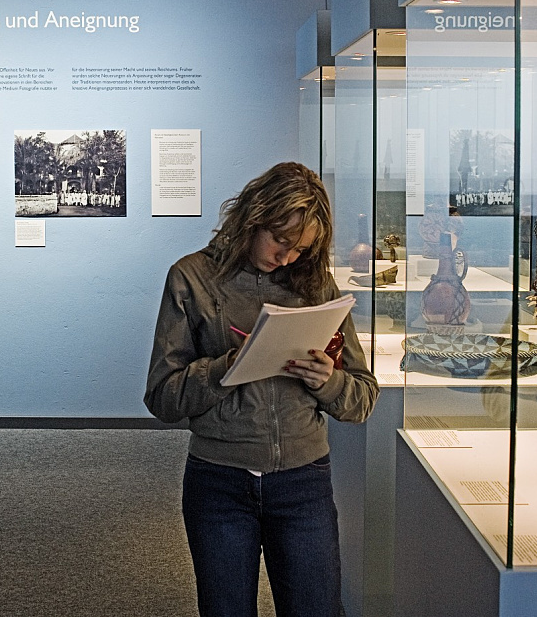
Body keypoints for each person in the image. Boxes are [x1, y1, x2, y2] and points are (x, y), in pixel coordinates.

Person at [145, 162, 377, 617]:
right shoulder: (191, 277)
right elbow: (162, 398)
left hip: (303, 479)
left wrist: (328, 382)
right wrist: (229, 367)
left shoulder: (316, 285)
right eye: (281, 241)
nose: (287, 258)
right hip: (219, 481)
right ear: (254, 217)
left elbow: (363, 398)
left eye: (301, 249)